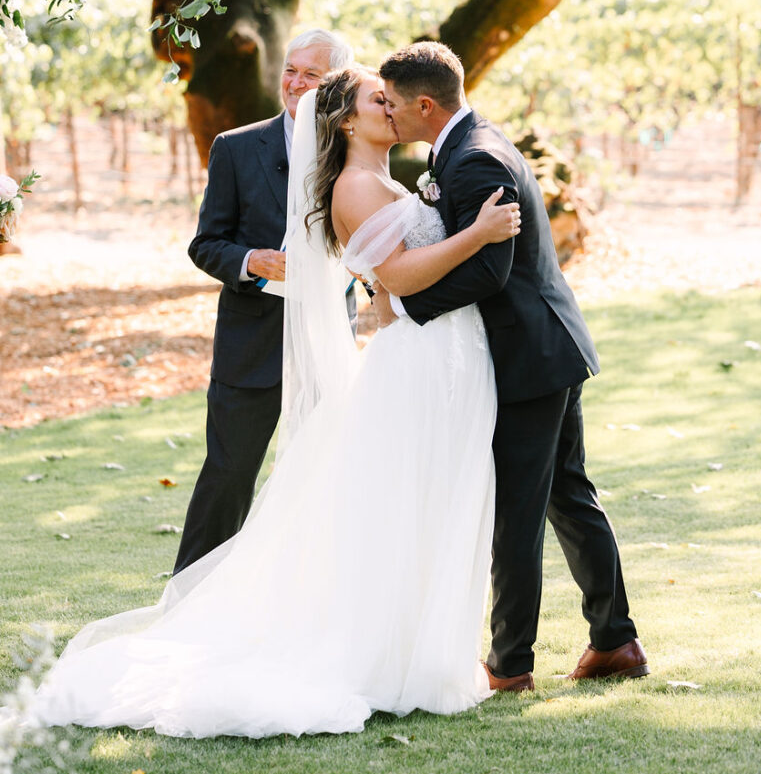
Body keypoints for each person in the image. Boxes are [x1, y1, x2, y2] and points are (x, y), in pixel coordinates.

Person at [31, 66, 519, 737]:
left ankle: (415, 649)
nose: (392, 106)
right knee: (408, 502)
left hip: (435, 353)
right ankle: (392, 659)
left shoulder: (382, 180)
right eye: (379, 99)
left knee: (418, 503)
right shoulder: (353, 185)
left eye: (392, 97)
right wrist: (479, 233)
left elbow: (387, 284)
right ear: (347, 120)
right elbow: (402, 275)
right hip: (418, 363)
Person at [378, 41, 648, 692]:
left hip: (527, 356)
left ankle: (509, 664)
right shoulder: (475, 141)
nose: (386, 114)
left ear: (422, 104)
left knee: (519, 514)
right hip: (549, 344)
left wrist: (401, 300)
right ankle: (614, 642)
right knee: (566, 494)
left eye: (390, 104)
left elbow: (489, 270)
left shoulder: (471, 161)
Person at [174, 27, 354, 574]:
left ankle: (316, 587)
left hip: (327, 339)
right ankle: (188, 594)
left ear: (335, 85)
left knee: (327, 471)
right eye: (291, 71)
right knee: (228, 473)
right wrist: (251, 262)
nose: (296, 84)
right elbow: (205, 244)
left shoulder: (353, 149)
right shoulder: (234, 147)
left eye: (312, 75)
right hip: (252, 341)